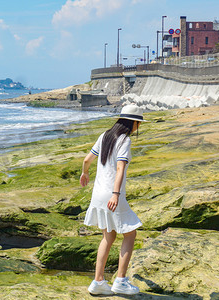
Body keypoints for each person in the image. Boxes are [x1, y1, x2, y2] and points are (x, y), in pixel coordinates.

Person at [80, 104, 147, 296]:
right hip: (111, 194)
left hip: (97, 194)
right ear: (133, 122)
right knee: (130, 234)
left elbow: (86, 160)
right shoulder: (124, 140)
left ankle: (98, 282)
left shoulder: (105, 135)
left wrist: (85, 174)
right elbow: (120, 168)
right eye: (138, 123)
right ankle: (120, 281)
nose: (138, 127)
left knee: (108, 237)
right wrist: (116, 194)